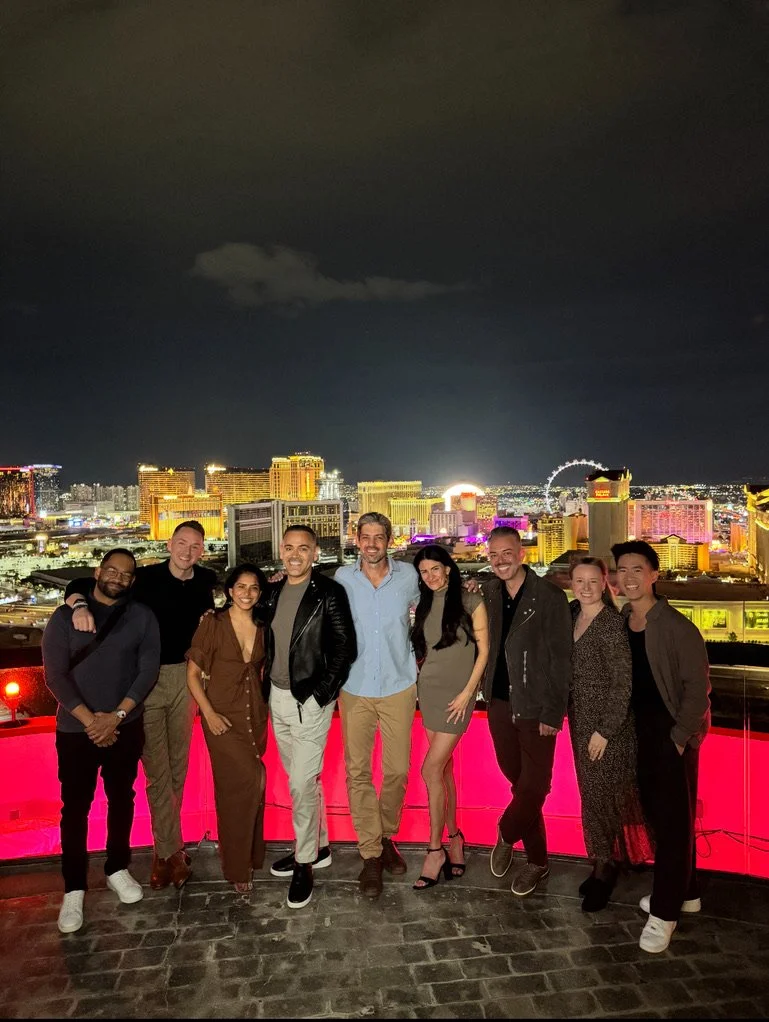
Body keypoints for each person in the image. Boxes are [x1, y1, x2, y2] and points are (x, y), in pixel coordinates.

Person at [64, 520, 217, 890]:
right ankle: (168, 851)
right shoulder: (143, 578)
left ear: (202, 550)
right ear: (169, 544)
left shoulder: (206, 580)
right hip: (145, 681)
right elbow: (82, 584)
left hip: (187, 678)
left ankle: (167, 848)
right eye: (182, 543)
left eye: (196, 546)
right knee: (157, 767)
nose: (188, 551)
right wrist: (79, 603)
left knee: (178, 765)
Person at [42, 549, 161, 934]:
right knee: (75, 808)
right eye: (111, 570)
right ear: (98, 572)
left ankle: (117, 867)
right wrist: (92, 720)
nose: (117, 577)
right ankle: (74, 887)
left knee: (122, 798)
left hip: (125, 724)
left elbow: (147, 671)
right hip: (77, 730)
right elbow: (55, 677)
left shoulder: (141, 617)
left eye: (125, 574)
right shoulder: (64, 618)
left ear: (131, 581)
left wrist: (117, 717)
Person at [612, 540, 710, 954]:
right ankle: (686, 892)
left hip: (670, 736)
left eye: (638, 569)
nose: (628, 578)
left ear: (654, 575)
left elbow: (697, 689)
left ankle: (665, 913)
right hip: (642, 733)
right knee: (666, 817)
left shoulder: (675, 626)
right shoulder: (623, 619)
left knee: (670, 825)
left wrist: (679, 737)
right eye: (622, 570)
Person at [263, 525, 357, 909]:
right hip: (276, 697)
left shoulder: (329, 592)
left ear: (315, 552)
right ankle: (317, 847)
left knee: (301, 783)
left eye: (303, 548)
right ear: (281, 551)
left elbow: (344, 647)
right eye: (289, 548)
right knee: (301, 779)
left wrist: (321, 695)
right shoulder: (271, 592)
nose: (295, 554)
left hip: (309, 701)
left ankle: (304, 862)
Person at [481, 526, 572, 897]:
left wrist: (554, 712)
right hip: (499, 704)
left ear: (522, 554)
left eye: (507, 553)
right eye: (494, 555)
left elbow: (561, 659)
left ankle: (507, 833)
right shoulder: (487, 593)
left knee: (535, 786)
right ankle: (538, 861)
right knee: (520, 784)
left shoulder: (548, 597)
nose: (501, 561)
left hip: (536, 707)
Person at [335, 512, 420, 899]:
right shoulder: (342, 578)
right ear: (356, 539)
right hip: (354, 687)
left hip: (399, 686)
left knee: (397, 770)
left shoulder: (408, 578)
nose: (372, 543)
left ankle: (385, 833)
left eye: (379, 537)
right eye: (365, 536)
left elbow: (440, 601)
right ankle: (371, 853)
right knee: (357, 772)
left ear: (390, 540)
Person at [567, 556, 652, 912]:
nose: (585, 587)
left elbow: (623, 684)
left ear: (605, 583)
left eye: (592, 581)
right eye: (579, 581)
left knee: (605, 798)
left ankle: (606, 868)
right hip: (579, 722)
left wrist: (605, 730)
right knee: (591, 796)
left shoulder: (611, 625)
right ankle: (600, 860)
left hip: (608, 729)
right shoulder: (571, 616)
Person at [186, 564, 269, 894]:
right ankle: (236, 866)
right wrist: (209, 714)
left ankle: (248, 857)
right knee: (243, 785)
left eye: (254, 588)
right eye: (241, 587)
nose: (247, 593)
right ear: (229, 591)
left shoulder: (264, 627)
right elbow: (192, 675)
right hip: (221, 717)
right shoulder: (213, 623)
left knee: (251, 788)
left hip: (255, 717)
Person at [410, 545, 489, 891]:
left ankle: (434, 849)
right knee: (442, 770)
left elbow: (483, 651)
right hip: (429, 691)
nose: (430, 576)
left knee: (429, 769)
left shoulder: (470, 599)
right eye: (424, 572)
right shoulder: (425, 603)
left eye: (435, 569)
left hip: (458, 697)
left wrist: (467, 692)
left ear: (448, 567)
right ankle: (455, 837)